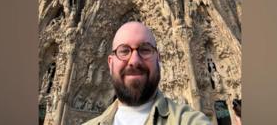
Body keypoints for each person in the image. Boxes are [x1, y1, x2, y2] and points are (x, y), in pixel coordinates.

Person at [83, 22, 211, 125]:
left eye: (145, 50)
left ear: (159, 58)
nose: (134, 61)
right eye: (124, 51)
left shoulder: (188, 121)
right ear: (110, 63)